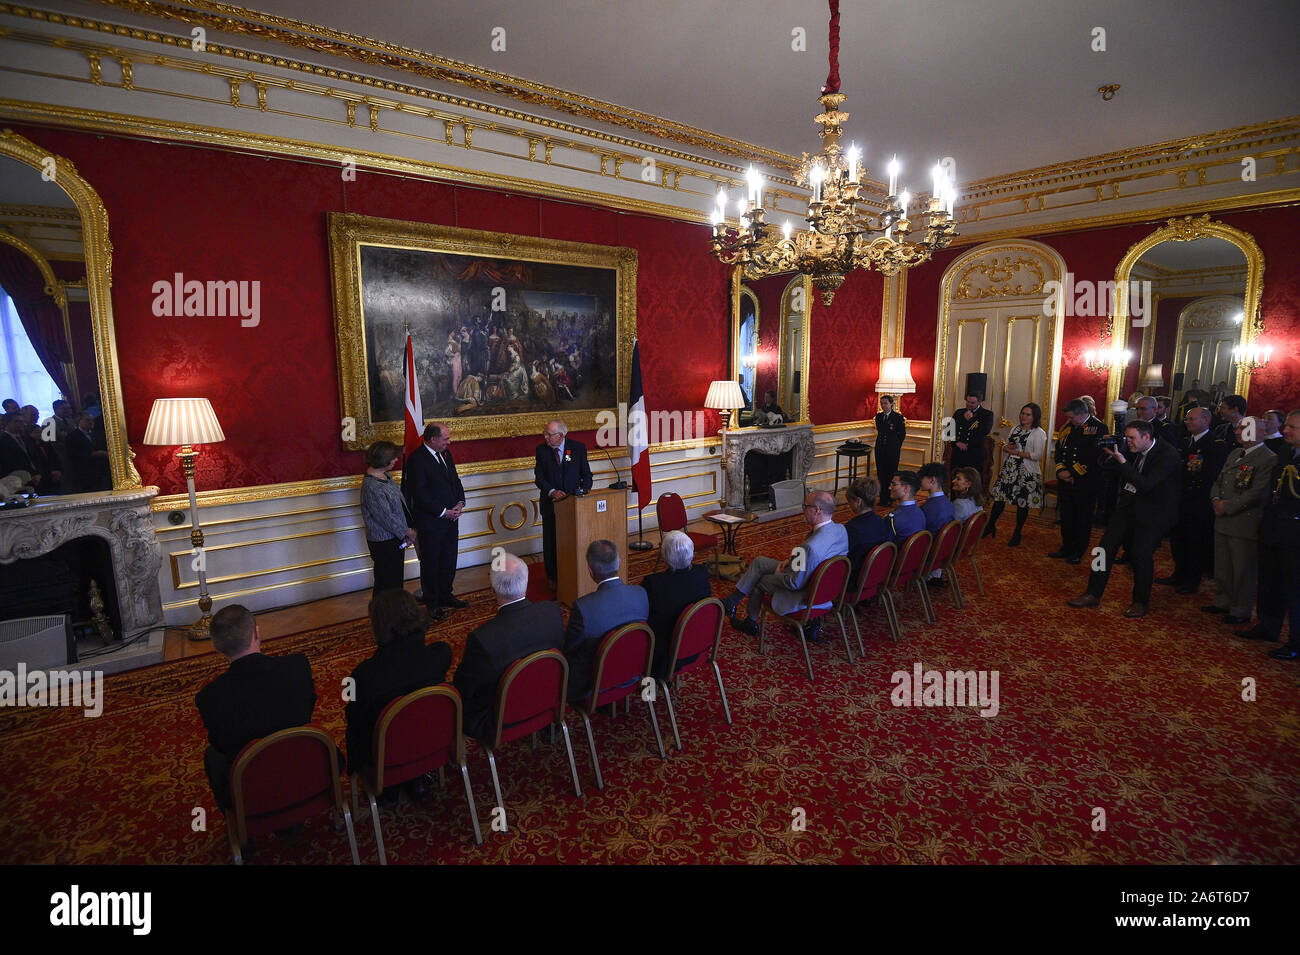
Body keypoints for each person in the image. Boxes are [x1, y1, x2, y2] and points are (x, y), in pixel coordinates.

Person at [194, 605, 317, 810]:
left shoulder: (209, 698)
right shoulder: (298, 666)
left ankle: (240, 830)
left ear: (216, 647)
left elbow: (221, 744)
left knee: (212, 757)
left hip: (251, 791)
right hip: (305, 771)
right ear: (257, 633)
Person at [1067, 420, 1181, 619]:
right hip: (1128, 507)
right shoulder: (1132, 448)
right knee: (1102, 550)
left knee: (1140, 555)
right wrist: (1108, 453)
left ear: (1146, 437)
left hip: (1154, 512)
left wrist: (1122, 461)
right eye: (1126, 438)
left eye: (1132, 438)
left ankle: (1140, 602)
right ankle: (1092, 593)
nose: (1128, 442)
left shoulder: (1168, 454)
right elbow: (1111, 469)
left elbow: (1145, 485)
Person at [454, 552, 565, 740]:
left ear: (493, 589)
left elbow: (462, 688)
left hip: (499, 719)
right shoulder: (553, 613)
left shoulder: (483, 639)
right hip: (547, 700)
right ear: (527, 581)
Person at [344, 589, 452, 774]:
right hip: (433, 742)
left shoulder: (359, 677)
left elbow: (354, 723)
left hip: (384, 758)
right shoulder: (441, 655)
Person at [722, 490, 848, 641]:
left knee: (759, 581)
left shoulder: (808, 548)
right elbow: (815, 558)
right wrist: (791, 561)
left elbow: (794, 582)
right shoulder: (841, 530)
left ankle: (750, 622)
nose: (802, 510)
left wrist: (778, 574)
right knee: (759, 562)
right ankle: (733, 600)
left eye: (805, 506)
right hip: (820, 583)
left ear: (817, 510)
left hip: (803, 593)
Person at [1236, 409, 1300, 660]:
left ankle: (1295, 641)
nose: (1285, 431)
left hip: (1295, 534)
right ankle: (1267, 626)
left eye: (1293, 428)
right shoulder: (1285, 453)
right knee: (1270, 582)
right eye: (1287, 426)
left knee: (1294, 589)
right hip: (1274, 529)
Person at [1205, 417, 1275, 625]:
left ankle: (1241, 608)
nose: (1237, 431)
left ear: (1261, 432)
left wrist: (1227, 506)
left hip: (1243, 521)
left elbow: (1257, 493)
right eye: (1238, 427)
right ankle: (1224, 600)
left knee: (1242, 568)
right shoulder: (1235, 453)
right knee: (1223, 565)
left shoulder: (1268, 458)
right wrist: (1216, 499)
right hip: (1223, 518)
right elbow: (1218, 481)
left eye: (1244, 428)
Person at [563, 539, 648, 701]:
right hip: (633, 672)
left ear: (590, 570)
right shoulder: (641, 593)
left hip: (592, 685)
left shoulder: (583, 608)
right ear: (619, 562)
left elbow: (569, 649)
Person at [401, 422, 467, 620]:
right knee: (431, 562)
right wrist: (443, 512)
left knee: (449, 559)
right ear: (433, 439)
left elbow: (455, 481)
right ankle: (432, 603)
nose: (450, 441)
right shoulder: (417, 460)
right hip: (431, 521)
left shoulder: (446, 454)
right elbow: (419, 494)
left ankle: (446, 594)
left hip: (451, 518)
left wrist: (460, 503)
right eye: (446, 438)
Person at [1159, 406, 1227, 594]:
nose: (1187, 422)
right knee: (1178, 539)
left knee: (1196, 542)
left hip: (1199, 501)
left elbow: (1212, 475)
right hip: (1180, 499)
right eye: (1187, 419)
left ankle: (1192, 579)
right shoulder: (1185, 441)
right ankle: (1178, 573)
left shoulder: (1215, 443)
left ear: (1206, 420)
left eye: (1192, 419)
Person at [641, 530, 711, 679]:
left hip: (662, 658)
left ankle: (649, 696)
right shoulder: (702, 574)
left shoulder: (653, 584)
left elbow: (643, 618)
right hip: (697, 646)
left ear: (664, 556)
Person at [534, 419, 594, 591]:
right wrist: (552, 491)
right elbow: (539, 478)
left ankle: (575, 573)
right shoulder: (542, 450)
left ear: (560, 436)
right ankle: (553, 577)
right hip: (551, 505)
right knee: (551, 542)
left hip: (574, 505)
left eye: (549, 434)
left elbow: (586, 475)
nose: (545, 437)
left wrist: (583, 490)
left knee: (573, 541)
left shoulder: (577, 448)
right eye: (545, 434)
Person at [1050, 398, 1107, 564]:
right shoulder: (1068, 427)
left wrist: (1073, 473)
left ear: (1082, 413)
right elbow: (1060, 450)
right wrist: (1061, 470)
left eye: (1072, 417)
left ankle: (1078, 551)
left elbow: (1094, 457)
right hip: (1066, 481)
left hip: (1085, 483)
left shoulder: (1098, 428)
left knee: (1082, 519)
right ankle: (1066, 547)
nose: (1070, 420)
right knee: (1066, 517)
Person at [360, 440, 415, 599]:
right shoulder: (371, 486)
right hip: (383, 542)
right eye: (393, 458)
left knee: (395, 582)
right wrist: (407, 532)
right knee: (386, 583)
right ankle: (383, 617)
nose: (396, 460)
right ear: (383, 460)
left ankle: (395, 615)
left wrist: (404, 532)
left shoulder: (385, 476)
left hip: (395, 537)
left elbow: (398, 505)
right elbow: (385, 517)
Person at [986, 403, 1046, 547]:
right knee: (999, 498)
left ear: (1034, 417)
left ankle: (1017, 532)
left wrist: (1017, 453)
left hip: (1027, 471)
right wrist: (1006, 448)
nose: (1023, 416)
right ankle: (990, 525)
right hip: (1010, 469)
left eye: (1028, 414)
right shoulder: (1015, 428)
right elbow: (1007, 447)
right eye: (1022, 413)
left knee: (1022, 503)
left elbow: (1037, 455)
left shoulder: (1039, 433)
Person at [843, 477, 890, 583]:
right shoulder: (881, 521)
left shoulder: (852, 528)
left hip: (854, 580)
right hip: (876, 576)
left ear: (858, 501)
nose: (848, 505)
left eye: (850, 501)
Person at [948, 391, 994, 477]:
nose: (969, 404)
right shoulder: (959, 412)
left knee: (973, 481)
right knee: (955, 479)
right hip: (958, 454)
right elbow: (948, 430)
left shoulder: (987, 414)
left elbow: (985, 431)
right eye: (967, 402)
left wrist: (971, 420)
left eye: (972, 403)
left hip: (975, 454)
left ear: (979, 402)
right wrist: (956, 442)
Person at [62, 412, 111, 492]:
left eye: (92, 420)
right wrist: (93, 454)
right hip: (84, 472)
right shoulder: (72, 436)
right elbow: (73, 455)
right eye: (87, 420)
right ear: (79, 421)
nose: (91, 422)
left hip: (100, 471)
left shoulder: (96, 434)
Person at [873, 395, 906, 506]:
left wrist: (895, 446)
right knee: (881, 474)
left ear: (891, 404)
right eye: (882, 403)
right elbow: (881, 430)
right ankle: (882, 498)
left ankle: (891, 497)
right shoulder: (878, 416)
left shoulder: (897, 417)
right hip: (880, 449)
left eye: (885, 403)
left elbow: (902, 434)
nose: (883, 406)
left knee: (890, 474)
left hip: (892, 450)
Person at [885, 470, 926, 542]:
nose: (889, 488)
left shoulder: (893, 520)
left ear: (906, 488)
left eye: (894, 484)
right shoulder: (921, 513)